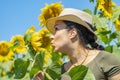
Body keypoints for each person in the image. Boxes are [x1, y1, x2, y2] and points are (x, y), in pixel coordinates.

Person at [33, 8, 120, 80]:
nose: (51, 36)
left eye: (56, 29)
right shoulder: (60, 71)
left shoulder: (105, 59)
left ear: (72, 33)